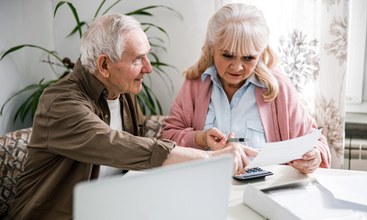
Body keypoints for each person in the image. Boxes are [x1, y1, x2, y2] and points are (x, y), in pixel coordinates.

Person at [9, 13, 256, 220]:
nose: (148, 68)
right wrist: (210, 158)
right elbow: (118, 145)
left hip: (114, 209)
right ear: (104, 65)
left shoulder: (123, 91)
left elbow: (137, 151)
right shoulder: (60, 103)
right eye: (138, 59)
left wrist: (200, 139)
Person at [161, 3, 331, 174]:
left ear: (260, 53)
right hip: (206, 186)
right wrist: (200, 138)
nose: (237, 67)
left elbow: (314, 140)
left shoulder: (278, 87)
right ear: (212, 49)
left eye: (248, 58)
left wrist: (314, 155)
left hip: (264, 191)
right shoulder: (195, 85)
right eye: (228, 55)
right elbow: (166, 140)